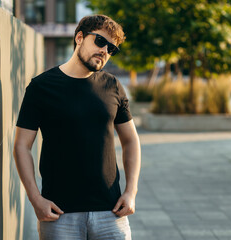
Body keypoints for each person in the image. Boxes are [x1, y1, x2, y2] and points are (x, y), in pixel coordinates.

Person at [13, 14, 141, 240]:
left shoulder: (112, 85)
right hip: (59, 214)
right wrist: (35, 199)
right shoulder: (41, 87)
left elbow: (131, 140)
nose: (104, 51)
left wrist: (131, 192)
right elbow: (22, 146)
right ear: (79, 37)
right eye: (100, 42)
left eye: (111, 49)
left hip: (110, 213)